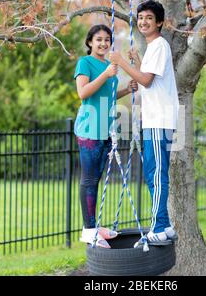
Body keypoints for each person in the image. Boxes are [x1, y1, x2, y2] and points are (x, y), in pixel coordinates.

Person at [110, 0, 179, 244]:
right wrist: (137, 61)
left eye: (149, 17)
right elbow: (147, 79)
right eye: (140, 18)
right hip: (152, 120)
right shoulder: (152, 48)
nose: (143, 22)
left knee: (157, 173)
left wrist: (122, 63)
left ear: (159, 22)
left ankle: (159, 226)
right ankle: (165, 226)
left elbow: (147, 81)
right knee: (152, 172)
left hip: (160, 119)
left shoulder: (160, 45)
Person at [74, 24, 138, 248]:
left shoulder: (109, 66)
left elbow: (108, 95)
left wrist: (125, 89)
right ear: (90, 42)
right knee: (89, 180)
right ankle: (88, 230)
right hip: (90, 129)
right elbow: (83, 93)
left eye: (107, 39)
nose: (103, 43)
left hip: (106, 129)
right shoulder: (85, 63)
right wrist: (106, 74)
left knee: (96, 180)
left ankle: (93, 226)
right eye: (98, 39)